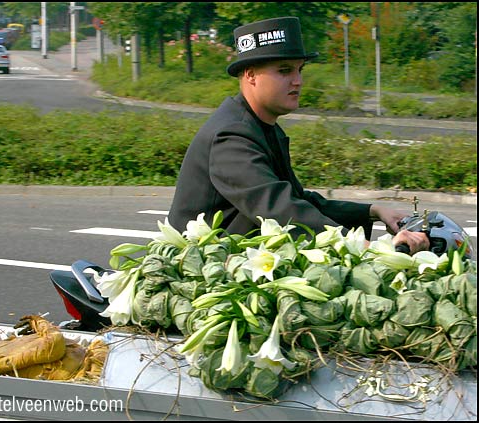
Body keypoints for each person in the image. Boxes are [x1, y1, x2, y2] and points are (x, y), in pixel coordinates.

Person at [168, 17, 428, 253]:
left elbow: (298, 199)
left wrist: (374, 210)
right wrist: (370, 247)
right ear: (250, 75)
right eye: (284, 70)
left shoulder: (259, 127)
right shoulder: (232, 136)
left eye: (299, 69)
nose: (297, 81)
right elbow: (279, 209)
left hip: (236, 258)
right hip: (205, 269)